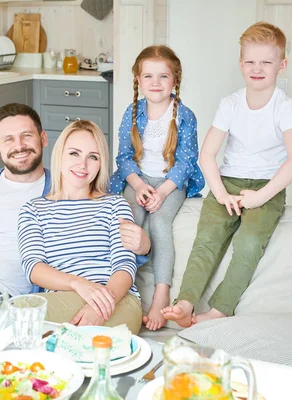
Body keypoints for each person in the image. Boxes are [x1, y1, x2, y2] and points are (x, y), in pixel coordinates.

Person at [0, 103, 151, 306]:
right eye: (8, 139)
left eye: (26, 136)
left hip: (5, 295)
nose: (19, 146)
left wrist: (144, 247)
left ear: (43, 139)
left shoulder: (70, 187)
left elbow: (102, 238)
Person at [163, 22, 292, 327]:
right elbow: (207, 156)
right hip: (227, 183)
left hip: (266, 187)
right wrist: (221, 192)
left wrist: (260, 197)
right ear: (241, 64)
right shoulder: (230, 104)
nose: (257, 68)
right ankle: (185, 302)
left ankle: (220, 310)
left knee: (249, 243)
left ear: (281, 65)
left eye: (266, 62)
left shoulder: (285, 107)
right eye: (250, 61)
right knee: (207, 240)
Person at [109, 45, 205, 330]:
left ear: (175, 81)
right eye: (148, 76)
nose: (155, 82)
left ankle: (161, 291)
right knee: (130, 221)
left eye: (163, 76)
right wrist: (138, 186)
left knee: (160, 221)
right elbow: (124, 156)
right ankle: (121, 284)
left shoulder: (184, 116)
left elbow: (186, 162)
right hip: (137, 178)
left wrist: (162, 192)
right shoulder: (133, 112)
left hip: (171, 181)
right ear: (138, 80)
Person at [18, 120, 143, 334]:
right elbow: (34, 268)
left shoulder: (115, 204)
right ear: (60, 155)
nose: (82, 165)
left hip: (118, 301)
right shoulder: (33, 210)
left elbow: (125, 266)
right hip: (63, 299)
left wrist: (100, 306)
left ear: (101, 163)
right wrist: (78, 284)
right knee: (19, 314)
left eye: (93, 157)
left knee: (16, 314)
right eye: (74, 153)